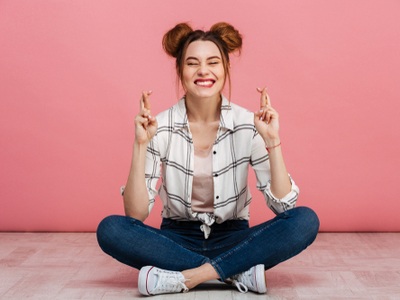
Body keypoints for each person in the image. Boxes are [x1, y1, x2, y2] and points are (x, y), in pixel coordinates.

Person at [96, 22, 319, 296]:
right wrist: (140, 145)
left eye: (213, 62)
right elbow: (136, 214)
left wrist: (272, 141)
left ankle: (189, 277)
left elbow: (285, 208)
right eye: (192, 63)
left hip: (234, 236)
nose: (203, 70)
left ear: (225, 69)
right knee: (110, 229)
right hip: (176, 239)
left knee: (305, 220)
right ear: (181, 71)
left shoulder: (249, 124)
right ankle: (233, 271)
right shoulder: (160, 126)